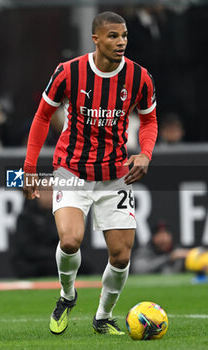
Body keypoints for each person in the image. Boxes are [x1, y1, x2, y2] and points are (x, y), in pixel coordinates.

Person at [23, 11, 157, 336]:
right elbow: (43, 117)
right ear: (95, 39)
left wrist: (145, 154)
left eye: (124, 35)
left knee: (121, 255)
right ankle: (67, 295)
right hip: (72, 168)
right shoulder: (69, 72)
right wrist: (29, 167)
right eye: (113, 36)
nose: (121, 42)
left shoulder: (140, 78)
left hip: (115, 173)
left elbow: (150, 120)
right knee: (70, 241)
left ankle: (103, 316)